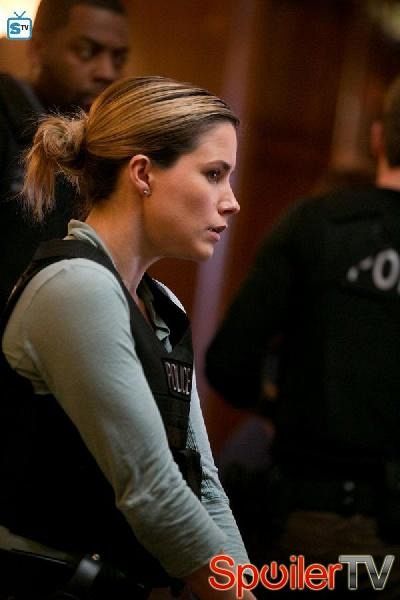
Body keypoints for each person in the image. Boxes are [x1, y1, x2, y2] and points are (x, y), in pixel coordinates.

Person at [0, 75, 255, 600]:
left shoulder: (162, 304)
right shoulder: (77, 287)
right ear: (142, 173)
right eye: (213, 174)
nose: (231, 202)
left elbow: (202, 483)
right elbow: (153, 490)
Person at [205, 75, 400, 597]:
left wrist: (283, 407)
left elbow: (229, 362)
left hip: (320, 519)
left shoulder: (316, 224)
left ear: (377, 138)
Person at [0, 0, 130, 310]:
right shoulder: (5, 116)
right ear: (38, 48)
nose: (107, 72)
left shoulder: (103, 146)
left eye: (118, 58)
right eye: (86, 51)